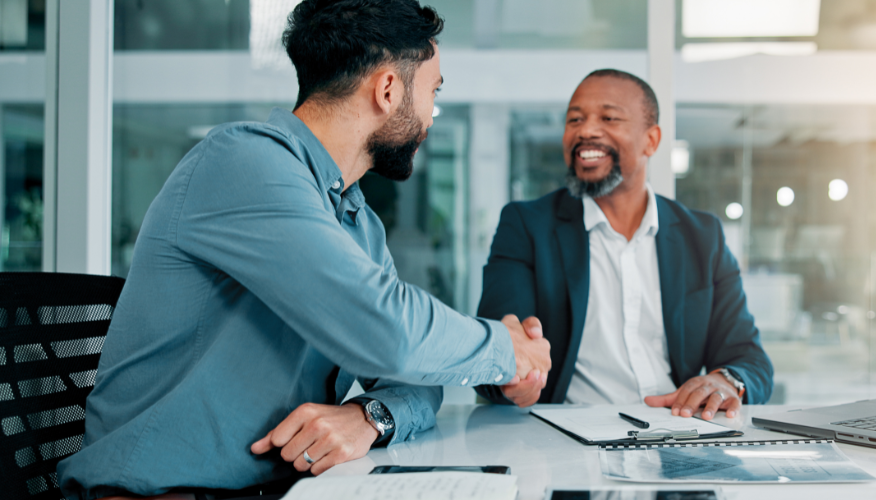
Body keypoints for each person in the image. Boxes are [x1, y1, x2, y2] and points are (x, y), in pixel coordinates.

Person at [57, 1, 550, 498]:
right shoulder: (244, 162)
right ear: (388, 89)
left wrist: (370, 417)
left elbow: (411, 369)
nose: (430, 118)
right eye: (432, 94)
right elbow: (388, 331)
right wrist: (508, 350)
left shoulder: (355, 218)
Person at [475, 69, 773, 418]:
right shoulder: (527, 226)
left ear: (651, 140)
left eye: (609, 117)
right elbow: (494, 348)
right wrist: (510, 379)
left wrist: (726, 381)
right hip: (567, 435)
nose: (585, 130)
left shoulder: (702, 236)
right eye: (575, 119)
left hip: (678, 429)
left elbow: (750, 359)